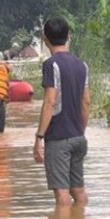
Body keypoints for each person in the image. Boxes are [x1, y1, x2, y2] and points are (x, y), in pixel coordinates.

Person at [33, 17, 90, 206]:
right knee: (78, 189)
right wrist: (80, 130)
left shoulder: (51, 65)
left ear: (44, 39)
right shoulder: (82, 65)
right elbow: (86, 101)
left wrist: (39, 137)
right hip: (78, 137)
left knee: (61, 192)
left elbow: (50, 101)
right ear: (68, 37)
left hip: (58, 138)